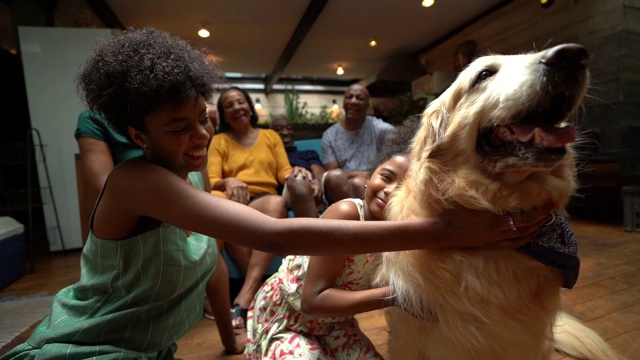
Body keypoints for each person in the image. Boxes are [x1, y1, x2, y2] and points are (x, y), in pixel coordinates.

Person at [0, 28, 551, 359]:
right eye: (178, 127)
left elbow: (207, 263)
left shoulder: (185, 177)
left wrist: (229, 336)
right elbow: (273, 231)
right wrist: (447, 229)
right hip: (85, 347)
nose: (199, 137)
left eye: (203, 118)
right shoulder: (137, 179)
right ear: (138, 135)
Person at [245, 120, 415, 359]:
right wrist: (396, 296)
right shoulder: (348, 214)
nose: (390, 190)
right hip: (290, 318)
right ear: (369, 176)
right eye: (386, 177)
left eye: (406, 187)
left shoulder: (403, 233)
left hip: (334, 326)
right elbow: (312, 301)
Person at [207, 87, 313, 330]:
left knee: (277, 202)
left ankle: (246, 295)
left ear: (250, 107)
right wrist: (228, 181)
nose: (237, 108)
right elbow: (211, 178)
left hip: (264, 199)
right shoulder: (219, 140)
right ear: (223, 114)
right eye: (229, 105)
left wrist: (298, 172)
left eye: (241, 102)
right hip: (234, 197)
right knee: (225, 207)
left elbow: (283, 172)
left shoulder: (269, 136)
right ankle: (256, 292)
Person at [321, 83, 396, 201]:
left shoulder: (383, 130)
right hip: (341, 186)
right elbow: (333, 175)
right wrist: (357, 176)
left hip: (374, 181)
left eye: (359, 98)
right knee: (337, 178)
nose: (353, 101)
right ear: (344, 103)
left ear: (367, 105)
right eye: (349, 97)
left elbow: (392, 168)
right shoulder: (330, 135)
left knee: (358, 183)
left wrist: (353, 175)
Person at [270, 114, 326, 218]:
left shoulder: (308, 153)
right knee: (298, 179)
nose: (286, 132)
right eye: (279, 129)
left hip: (314, 187)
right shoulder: (270, 157)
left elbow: (319, 172)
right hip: (289, 191)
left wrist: (317, 183)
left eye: (289, 128)